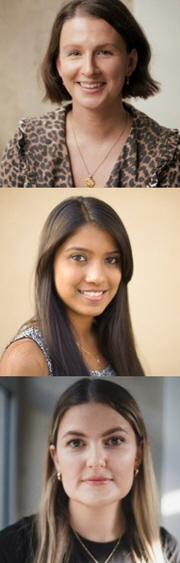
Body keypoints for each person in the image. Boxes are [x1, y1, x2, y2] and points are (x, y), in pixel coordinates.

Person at [0, 0, 179, 188]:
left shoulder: (165, 152)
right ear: (59, 64)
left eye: (104, 52)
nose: (89, 69)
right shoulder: (26, 144)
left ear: (130, 63)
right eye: (75, 53)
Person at [0, 378, 179, 563]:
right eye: (76, 442)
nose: (95, 461)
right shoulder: (9, 549)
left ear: (138, 455)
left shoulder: (166, 551)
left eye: (114, 441)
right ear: (57, 459)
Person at [0, 196, 145, 377]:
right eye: (79, 257)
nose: (97, 277)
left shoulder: (110, 338)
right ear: (50, 262)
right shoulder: (26, 357)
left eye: (111, 259)